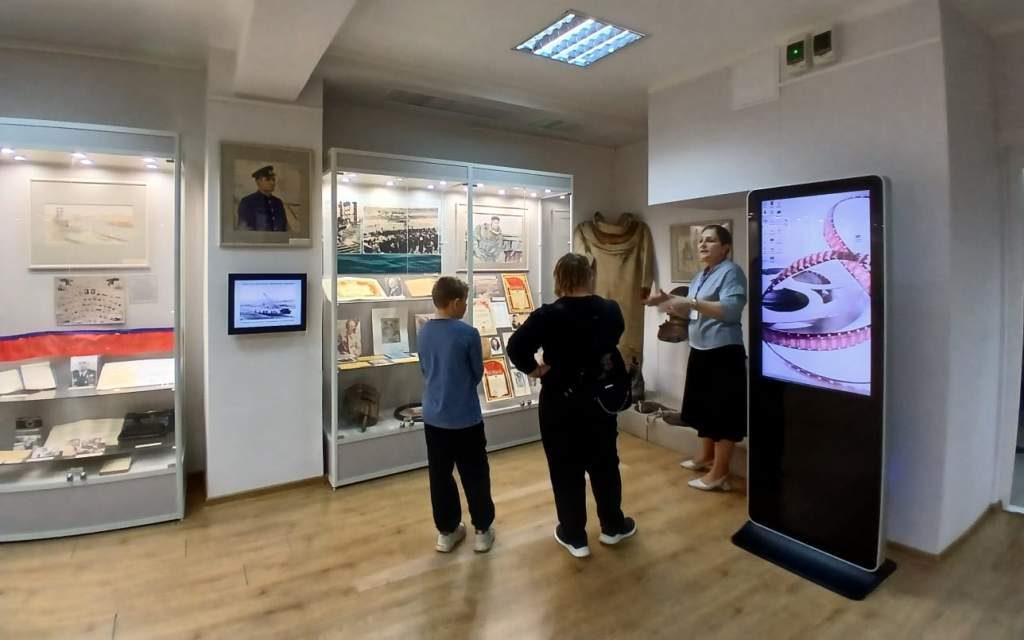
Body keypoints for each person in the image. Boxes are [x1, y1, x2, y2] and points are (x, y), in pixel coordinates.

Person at [507, 253, 636, 558]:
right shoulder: (610, 310)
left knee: (565, 467)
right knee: (605, 462)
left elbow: (516, 347)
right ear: (589, 276)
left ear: (559, 278)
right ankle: (613, 526)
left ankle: (574, 535)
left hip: (560, 401)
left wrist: (535, 370)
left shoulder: (548, 315)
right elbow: (612, 337)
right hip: (600, 399)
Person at [643, 224, 747, 492]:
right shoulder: (701, 275)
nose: (702, 245)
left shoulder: (732, 272)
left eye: (710, 240)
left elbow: (731, 310)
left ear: (726, 247)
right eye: (701, 240)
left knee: (723, 413)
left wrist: (691, 303)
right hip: (701, 348)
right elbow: (692, 311)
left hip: (723, 351)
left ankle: (719, 474)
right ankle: (705, 457)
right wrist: (666, 301)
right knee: (703, 407)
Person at [417, 276, 496, 553]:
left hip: (433, 417)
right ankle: (482, 530)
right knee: (475, 475)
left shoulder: (424, 332)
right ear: (454, 302)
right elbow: (476, 373)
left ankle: (446, 531)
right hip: (466, 419)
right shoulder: (468, 334)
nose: (465, 306)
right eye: (464, 301)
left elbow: (425, 369)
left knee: (439, 477)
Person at [237, 165, 287, 232]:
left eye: (273, 179)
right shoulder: (248, 202)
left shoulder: (278, 202)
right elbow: (244, 229)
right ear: (258, 181)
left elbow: (284, 227)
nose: (272, 182)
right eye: (268, 179)